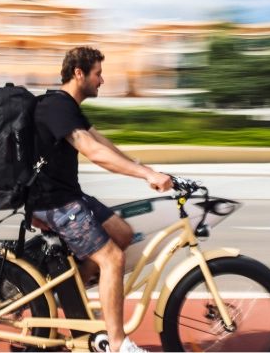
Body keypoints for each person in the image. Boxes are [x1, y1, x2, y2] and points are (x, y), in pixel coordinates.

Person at [31, 47, 173, 353]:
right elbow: (93, 153)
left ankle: (71, 302)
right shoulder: (56, 106)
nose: (102, 80)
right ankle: (118, 344)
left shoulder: (70, 106)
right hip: (52, 200)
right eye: (98, 73)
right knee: (112, 259)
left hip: (67, 194)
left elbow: (101, 142)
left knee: (121, 233)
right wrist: (144, 176)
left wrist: (145, 169)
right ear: (79, 73)